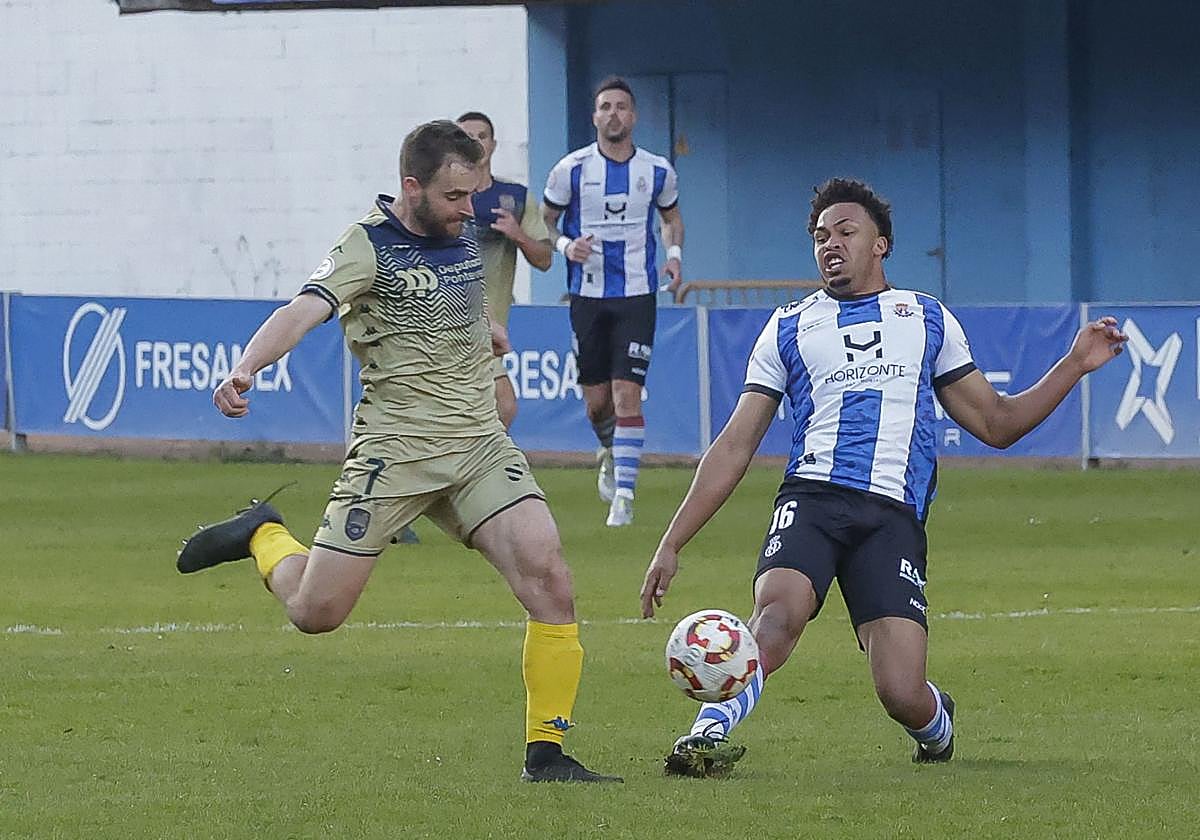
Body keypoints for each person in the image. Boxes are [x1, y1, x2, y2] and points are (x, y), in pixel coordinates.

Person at [176, 120, 620, 784]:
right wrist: (246, 368)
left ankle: (546, 754)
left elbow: (458, 299)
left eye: (474, 193)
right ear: (411, 187)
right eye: (454, 196)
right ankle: (264, 534)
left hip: (476, 446)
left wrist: (486, 329)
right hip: (395, 452)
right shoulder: (367, 246)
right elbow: (301, 310)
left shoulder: (460, 227)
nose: (468, 209)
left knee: (550, 579)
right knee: (315, 613)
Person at [639, 177, 1129, 777]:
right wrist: (672, 540)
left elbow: (997, 423)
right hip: (812, 498)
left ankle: (936, 727)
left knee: (901, 690)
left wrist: (1075, 363)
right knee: (777, 615)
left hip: (891, 517)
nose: (830, 245)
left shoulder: (925, 318)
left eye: (846, 232)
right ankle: (704, 738)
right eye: (821, 236)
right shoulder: (788, 327)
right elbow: (735, 444)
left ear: (882, 244)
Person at [542, 75, 685, 527]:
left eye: (621, 106)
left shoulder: (657, 170)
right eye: (605, 107)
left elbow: (671, 219)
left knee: (628, 395)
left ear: (634, 115)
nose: (613, 114)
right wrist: (566, 246)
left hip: (637, 295)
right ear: (595, 116)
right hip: (586, 294)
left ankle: (624, 495)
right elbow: (544, 223)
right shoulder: (571, 170)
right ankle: (609, 450)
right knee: (596, 403)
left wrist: (675, 256)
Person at [456, 111, 554, 431]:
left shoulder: (514, 198)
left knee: (498, 408)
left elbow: (545, 260)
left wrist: (518, 235)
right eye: (466, 137)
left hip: (489, 326)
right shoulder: (444, 198)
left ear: (493, 144)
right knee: (502, 404)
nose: (474, 143)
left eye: (481, 136)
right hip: (449, 320)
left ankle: (466, 472)